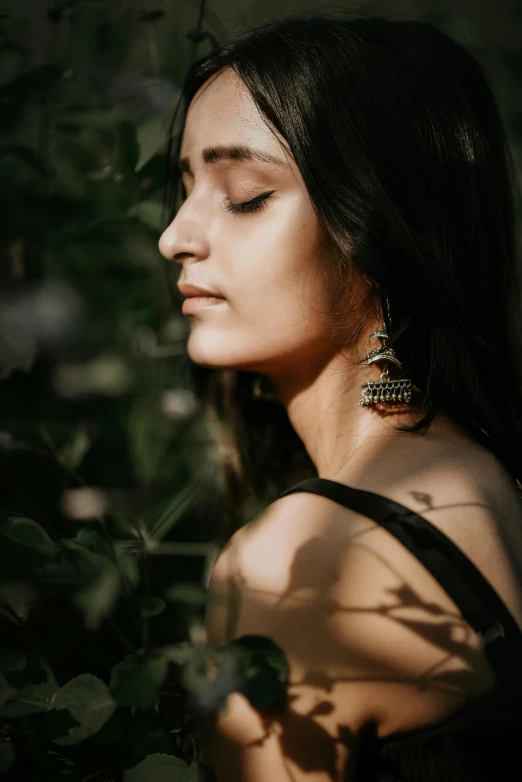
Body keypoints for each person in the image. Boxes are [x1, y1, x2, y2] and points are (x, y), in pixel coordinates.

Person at [158, 13, 522, 781]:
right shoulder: (494, 482)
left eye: (246, 194)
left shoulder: (301, 562)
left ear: (379, 229)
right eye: (186, 187)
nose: (176, 235)